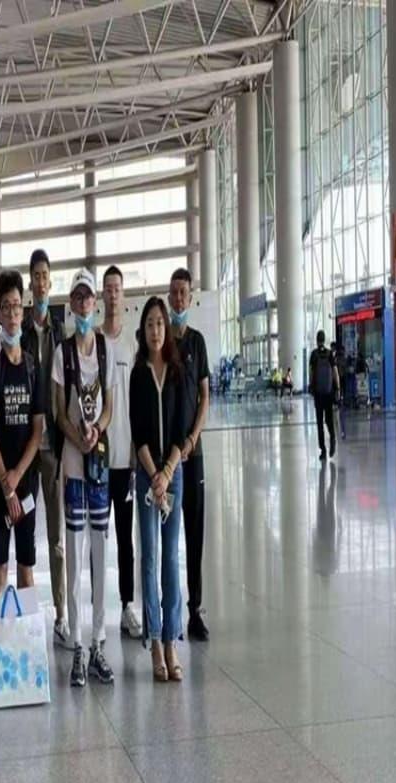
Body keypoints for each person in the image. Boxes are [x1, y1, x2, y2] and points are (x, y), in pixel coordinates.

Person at [53, 267, 116, 688]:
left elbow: (109, 405)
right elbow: (59, 411)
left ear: (95, 302)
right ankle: (77, 644)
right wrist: (79, 438)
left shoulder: (106, 349)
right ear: (71, 303)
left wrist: (98, 432)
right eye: (76, 297)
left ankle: (98, 642)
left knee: (100, 551)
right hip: (74, 465)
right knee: (74, 554)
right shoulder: (63, 353)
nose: (82, 303)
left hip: (99, 465)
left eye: (87, 297)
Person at [130, 296, 187, 682]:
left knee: (170, 558)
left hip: (172, 473)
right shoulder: (138, 375)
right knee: (149, 557)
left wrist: (168, 472)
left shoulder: (178, 373)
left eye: (160, 323)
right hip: (148, 475)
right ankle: (153, 640)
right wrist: (155, 475)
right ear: (143, 330)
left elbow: (181, 430)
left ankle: (171, 640)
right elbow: (139, 433)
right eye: (149, 324)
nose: (155, 330)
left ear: (167, 328)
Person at [0, 271, 44, 593]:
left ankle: (26, 627)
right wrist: (7, 486)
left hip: (26, 483)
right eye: (5, 306)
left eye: (16, 305)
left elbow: (38, 431)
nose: (11, 313)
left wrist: (18, 476)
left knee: (26, 565)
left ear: (23, 309)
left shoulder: (33, 367)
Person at [21, 248, 70, 649]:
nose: (40, 282)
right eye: (35, 276)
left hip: (52, 446)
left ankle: (61, 614)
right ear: (29, 283)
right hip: (25, 448)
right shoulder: (19, 331)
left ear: (50, 282)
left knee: (57, 535)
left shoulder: (60, 330)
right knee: (24, 534)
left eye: (44, 276)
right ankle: (25, 618)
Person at [168, 268, 211, 642]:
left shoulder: (197, 342)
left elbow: (205, 395)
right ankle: (167, 610)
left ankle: (194, 609)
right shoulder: (162, 341)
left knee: (194, 531)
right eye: (174, 293)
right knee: (166, 537)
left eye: (184, 292)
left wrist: (193, 439)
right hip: (166, 457)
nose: (179, 299)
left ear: (191, 297)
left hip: (192, 455)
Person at [99, 265, 141, 639]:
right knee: (97, 541)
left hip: (126, 460)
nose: (112, 294)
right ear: (102, 295)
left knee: (126, 538)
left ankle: (128, 605)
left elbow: (138, 403)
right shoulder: (94, 342)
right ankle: (97, 611)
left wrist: (137, 455)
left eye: (117, 288)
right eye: (108, 288)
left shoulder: (133, 343)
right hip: (98, 460)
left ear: (123, 296)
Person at [309, 330, 340, 461]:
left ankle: (323, 450)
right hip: (328, 392)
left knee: (319, 422)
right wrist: (338, 388)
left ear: (317, 340)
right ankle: (332, 437)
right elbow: (335, 372)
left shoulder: (314, 354)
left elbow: (311, 373)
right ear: (324, 339)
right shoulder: (330, 354)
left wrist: (311, 386)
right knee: (329, 419)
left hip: (318, 393)